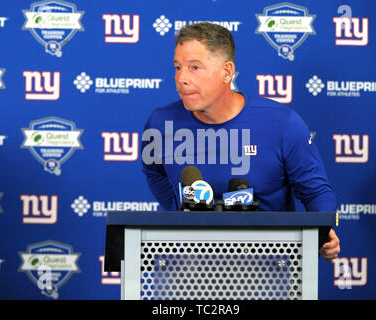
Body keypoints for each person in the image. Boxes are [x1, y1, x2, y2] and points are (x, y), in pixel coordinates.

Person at [141, 22, 340, 262]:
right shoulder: (160, 123)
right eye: (177, 67)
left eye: (194, 67)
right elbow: (154, 171)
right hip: (188, 269)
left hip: (267, 271)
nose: (181, 78)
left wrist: (321, 231)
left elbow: (316, 190)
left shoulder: (282, 123)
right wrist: (176, 211)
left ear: (227, 72)